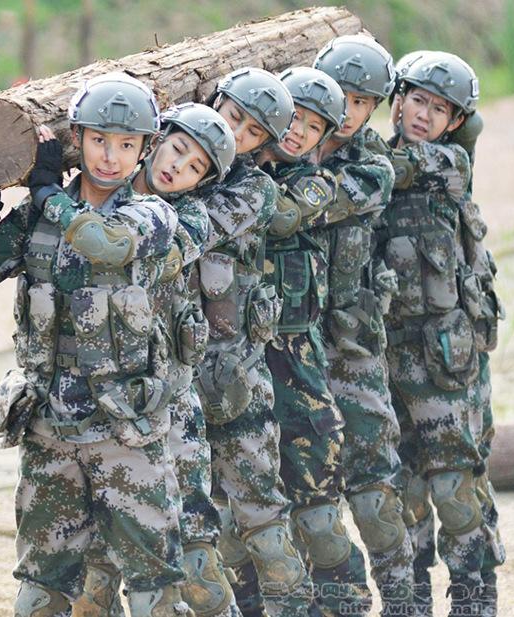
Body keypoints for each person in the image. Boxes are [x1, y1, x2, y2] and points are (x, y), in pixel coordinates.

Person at [0, 72, 192, 617]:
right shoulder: (37, 218)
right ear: (77, 138)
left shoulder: (152, 216)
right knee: (40, 592)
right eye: (99, 140)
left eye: (126, 145)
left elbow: (105, 245)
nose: (110, 158)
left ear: (145, 149)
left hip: (126, 433)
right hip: (50, 430)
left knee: (155, 593)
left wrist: (48, 193)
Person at [74, 102, 240, 617]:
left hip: (169, 404)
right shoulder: (98, 191)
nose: (177, 167)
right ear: (156, 140)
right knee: (94, 564)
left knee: (192, 557)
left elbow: (123, 250)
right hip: (96, 401)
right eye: (177, 150)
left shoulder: (186, 219)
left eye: (194, 167)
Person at [376, 52, 505, 616]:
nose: (424, 115)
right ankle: (412, 599)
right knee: (401, 488)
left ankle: (474, 595)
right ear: (398, 101)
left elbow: (400, 168)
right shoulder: (368, 165)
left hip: (446, 355)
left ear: (456, 122)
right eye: (417, 101)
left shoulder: (448, 163)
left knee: (455, 484)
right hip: (385, 354)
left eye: (439, 109)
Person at [190, 67, 315, 617]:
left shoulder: (253, 191)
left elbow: (190, 227)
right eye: (231, 115)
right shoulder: (168, 168)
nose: (233, 131)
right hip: (170, 384)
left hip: (236, 377)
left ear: (265, 144)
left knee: (263, 522)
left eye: (251, 130)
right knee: (191, 532)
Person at [254, 66, 374, 617]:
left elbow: (280, 216)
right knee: (243, 523)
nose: (298, 131)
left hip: (298, 370)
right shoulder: (219, 179)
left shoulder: (315, 184)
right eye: (292, 117)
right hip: (233, 371)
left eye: (313, 126)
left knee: (319, 516)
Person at [311, 35, 417, 617]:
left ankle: (403, 602)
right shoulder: (279, 149)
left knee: (375, 492)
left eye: (362, 102)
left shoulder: (372, 165)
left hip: (353, 349)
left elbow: (310, 204)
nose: (348, 112)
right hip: (287, 351)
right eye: (340, 96)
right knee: (307, 503)